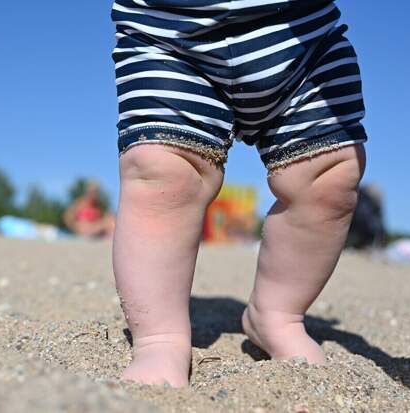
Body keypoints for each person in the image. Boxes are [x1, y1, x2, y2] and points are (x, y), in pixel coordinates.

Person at [111, 0, 368, 387]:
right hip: (171, 35)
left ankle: (278, 314)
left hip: (303, 39)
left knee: (327, 177)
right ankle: (158, 336)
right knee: (164, 175)